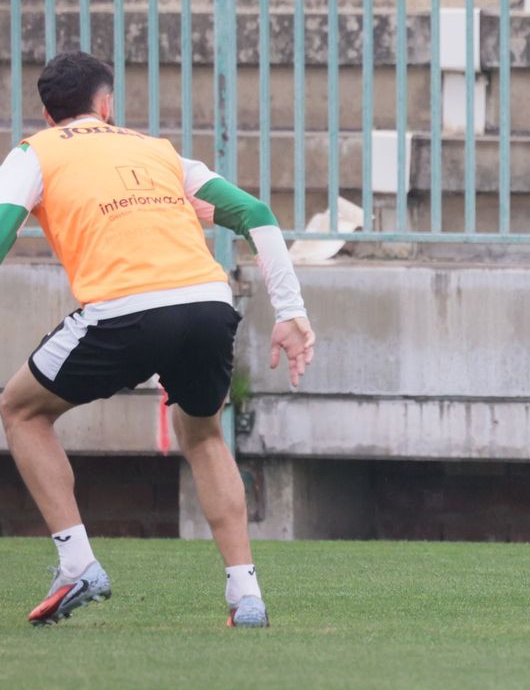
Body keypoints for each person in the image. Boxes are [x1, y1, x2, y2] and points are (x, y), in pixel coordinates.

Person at [0, 51, 316, 627]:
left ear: (48, 115)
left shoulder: (33, 152)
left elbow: (1, 229)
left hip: (126, 310)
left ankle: (77, 564)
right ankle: (246, 596)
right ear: (107, 104)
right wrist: (291, 312)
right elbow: (255, 213)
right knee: (203, 435)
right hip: (207, 302)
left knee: (20, 410)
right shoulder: (158, 150)